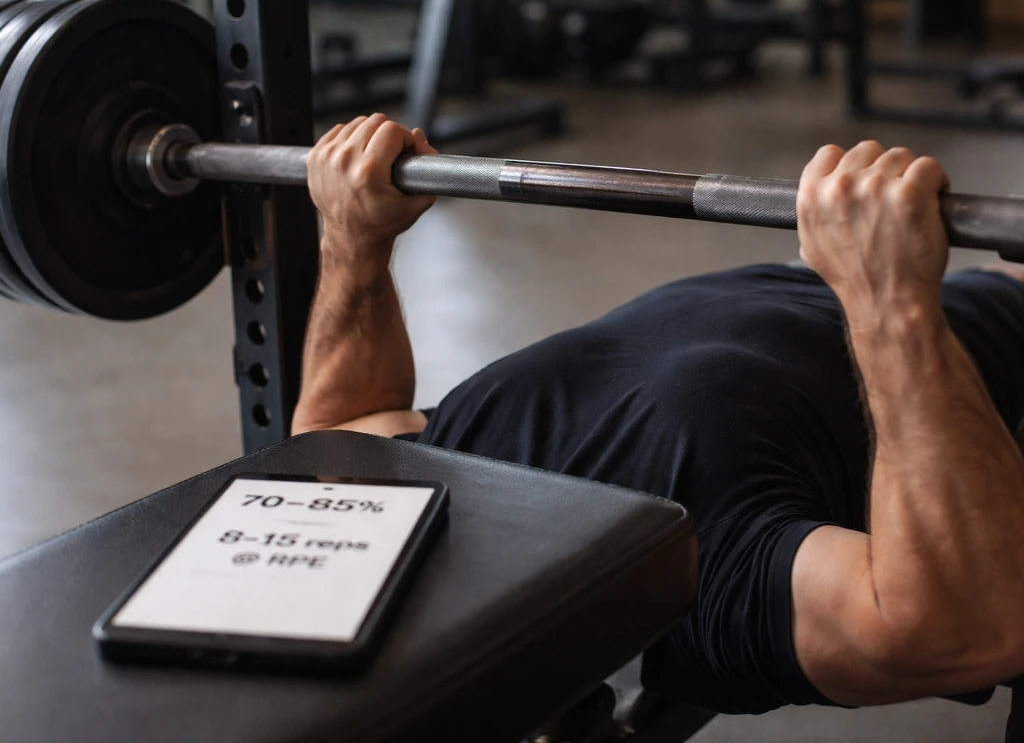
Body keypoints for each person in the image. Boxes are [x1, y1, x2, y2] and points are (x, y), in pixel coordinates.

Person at [292, 114, 1024, 718]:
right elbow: (964, 629)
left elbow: (335, 435)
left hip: (825, 275)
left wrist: (352, 241)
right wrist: (889, 303)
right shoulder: (699, 583)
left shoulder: (451, 474)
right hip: (971, 313)